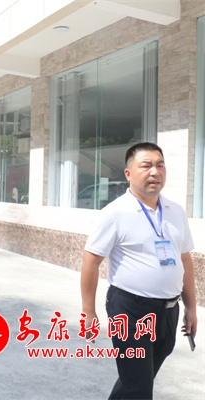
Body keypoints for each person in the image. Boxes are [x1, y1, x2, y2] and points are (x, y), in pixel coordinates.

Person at [80, 142, 197, 399]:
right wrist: (88, 312)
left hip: (168, 310)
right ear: (128, 173)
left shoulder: (176, 211)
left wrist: (191, 308)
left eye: (160, 165)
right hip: (130, 310)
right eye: (146, 166)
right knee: (139, 388)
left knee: (136, 379)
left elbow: (185, 260)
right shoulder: (115, 213)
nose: (155, 171)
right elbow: (91, 261)